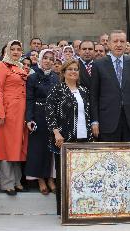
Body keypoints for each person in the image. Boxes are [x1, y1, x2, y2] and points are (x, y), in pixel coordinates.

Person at [46, 59, 92, 215]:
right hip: (64, 138)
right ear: (63, 72)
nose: (73, 71)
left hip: (84, 137)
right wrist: (56, 132)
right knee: (63, 174)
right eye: (70, 69)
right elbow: (50, 112)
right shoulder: (57, 89)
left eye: (76, 69)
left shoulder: (84, 90)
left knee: (81, 173)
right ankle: (63, 211)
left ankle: (80, 207)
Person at [91, 30, 130, 142]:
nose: (118, 44)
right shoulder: (98, 65)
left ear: (126, 44)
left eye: (122, 41)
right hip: (107, 121)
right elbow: (94, 96)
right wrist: (95, 121)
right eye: (115, 41)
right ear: (109, 44)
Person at [0, 40, 29, 196]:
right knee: (6, 147)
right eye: (12, 49)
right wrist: (0, 113)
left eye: (18, 49)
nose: (15, 52)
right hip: (8, 112)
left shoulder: (20, 67)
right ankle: (7, 182)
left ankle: (17, 180)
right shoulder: (0, 66)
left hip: (21, 113)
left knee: (17, 146)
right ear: (6, 51)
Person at [25, 49, 59, 195]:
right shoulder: (32, 77)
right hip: (38, 116)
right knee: (38, 149)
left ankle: (51, 178)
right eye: (45, 58)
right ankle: (40, 179)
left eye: (51, 59)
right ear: (40, 59)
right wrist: (29, 119)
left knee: (52, 149)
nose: (48, 61)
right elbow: (29, 99)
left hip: (53, 117)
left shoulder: (56, 77)